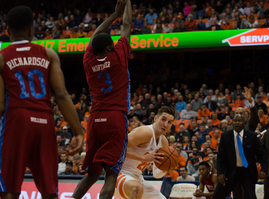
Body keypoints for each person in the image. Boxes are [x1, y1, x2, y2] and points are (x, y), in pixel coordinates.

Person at [0, 6, 83, 199]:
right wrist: (78, 131)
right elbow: (61, 95)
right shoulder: (49, 54)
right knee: (50, 192)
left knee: (9, 191)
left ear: (7, 30)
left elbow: (1, 106)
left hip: (16, 121)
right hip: (44, 122)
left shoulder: (3, 58)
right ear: (32, 29)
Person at [71, 1, 132, 199]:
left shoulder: (87, 60)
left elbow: (96, 33)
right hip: (115, 117)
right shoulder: (118, 56)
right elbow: (128, 25)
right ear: (108, 47)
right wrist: (127, 3)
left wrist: (114, 14)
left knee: (92, 174)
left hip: (94, 119)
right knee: (111, 174)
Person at [114, 106, 175, 199]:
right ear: (155, 118)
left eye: (169, 122)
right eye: (163, 119)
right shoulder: (146, 132)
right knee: (137, 188)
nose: (165, 124)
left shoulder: (163, 142)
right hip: (118, 173)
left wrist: (166, 168)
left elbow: (156, 174)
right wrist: (144, 158)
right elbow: (116, 148)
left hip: (137, 178)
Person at [212, 114, 268, 199]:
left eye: (239, 121)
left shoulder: (251, 136)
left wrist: (264, 169)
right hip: (230, 170)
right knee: (217, 196)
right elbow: (221, 157)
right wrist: (220, 173)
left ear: (244, 123)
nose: (237, 123)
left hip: (247, 172)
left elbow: (262, 154)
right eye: (235, 121)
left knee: (250, 196)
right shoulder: (225, 136)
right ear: (232, 123)